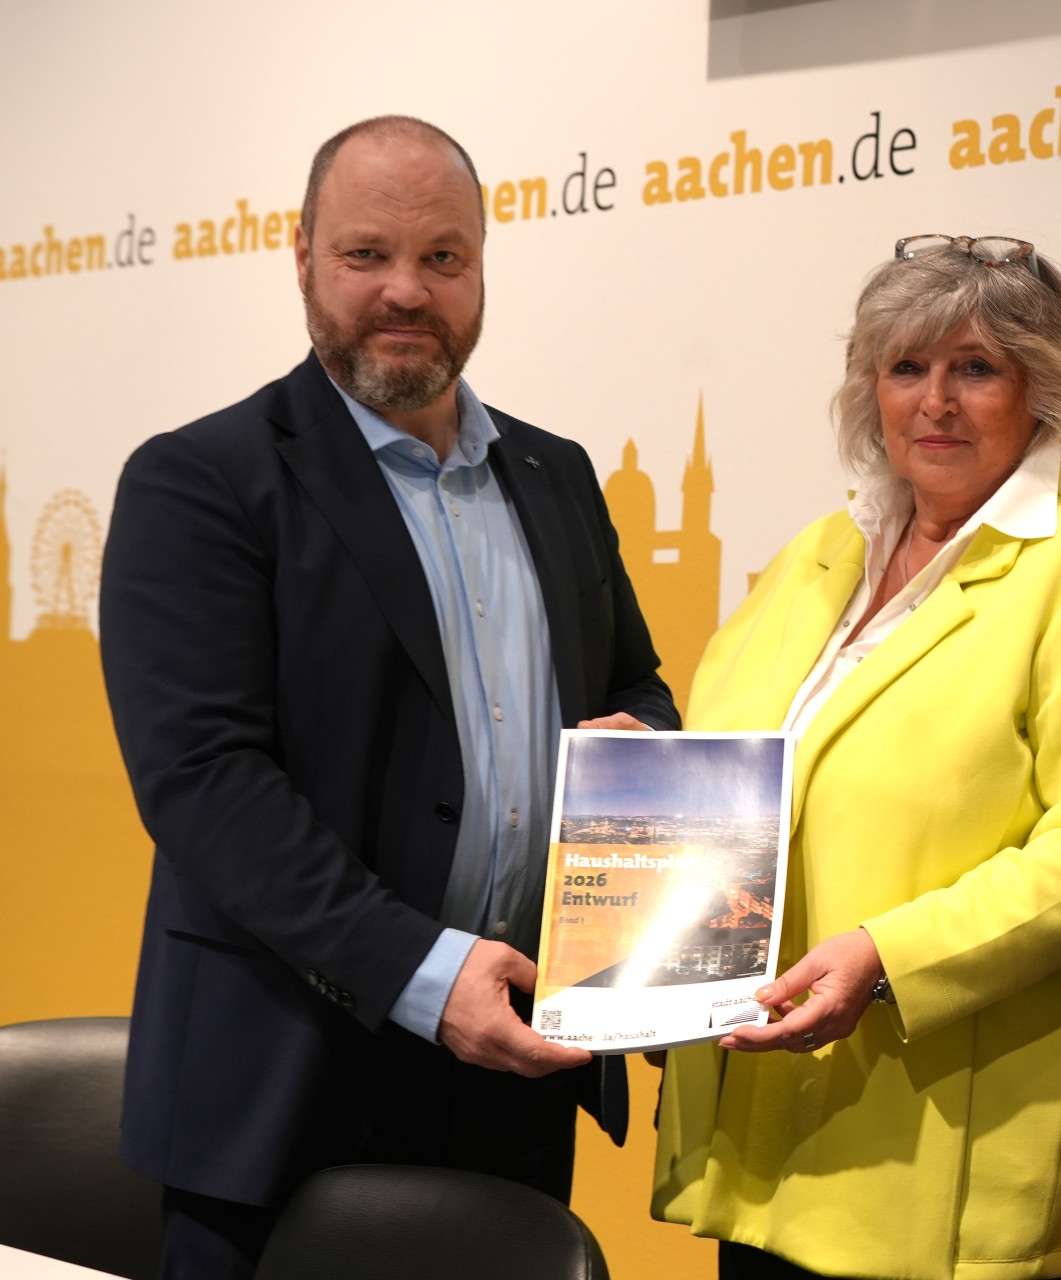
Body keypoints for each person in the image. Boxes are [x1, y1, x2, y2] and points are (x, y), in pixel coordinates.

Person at [99, 115, 679, 1279]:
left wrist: (641, 753)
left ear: (480, 267)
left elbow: (635, 685)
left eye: (443, 258)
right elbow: (205, 783)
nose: (406, 290)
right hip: (281, 1089)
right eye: (366, 254)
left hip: (512, 1074)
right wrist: (424, 970)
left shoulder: (553, 471)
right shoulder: (202, 480)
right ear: (302, 253)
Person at [650, 235, 1061, 1280]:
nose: (935, 399)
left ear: (1042, 391)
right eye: (907, 367)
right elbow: (750, 771)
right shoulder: (815, 555)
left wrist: (888, 956)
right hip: (763, 1128)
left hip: (942, 1147)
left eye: (976, 368)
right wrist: (650, 770)